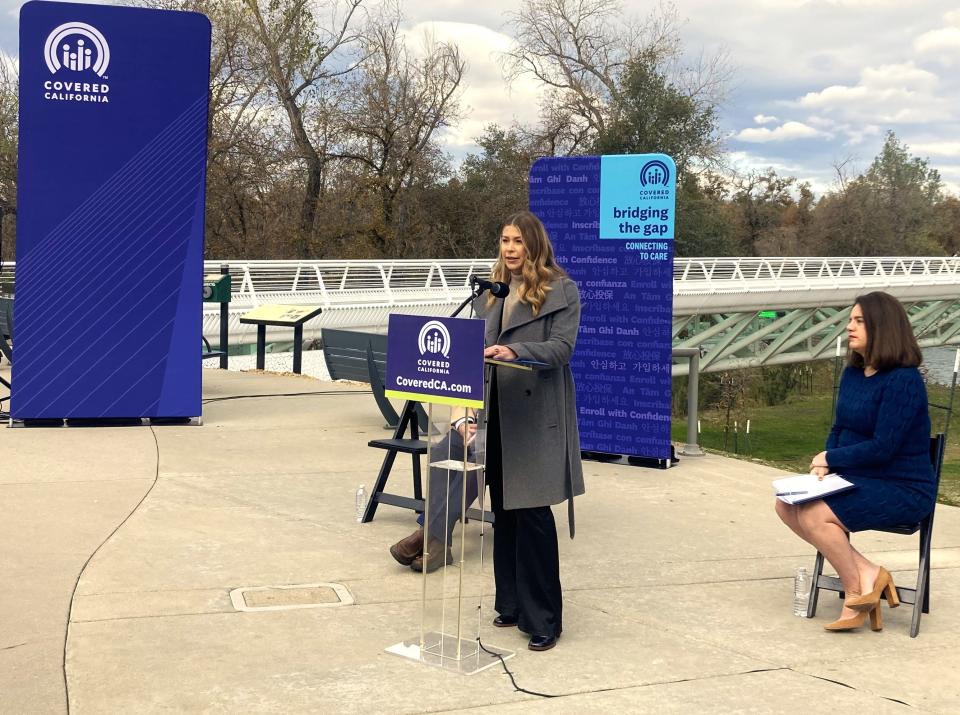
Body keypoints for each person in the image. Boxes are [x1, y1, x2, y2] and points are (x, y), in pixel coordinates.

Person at [775, 291, 936, 632]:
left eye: (859, 321)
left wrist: (831, 456)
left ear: (883, 327)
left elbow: (884, 448)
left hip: (902, 487)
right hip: (856, 478)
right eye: (850, 320)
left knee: (816, 514)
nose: (849, 327)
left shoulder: (903, 381)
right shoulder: (853, 374)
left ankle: (855, 592)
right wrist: (825, 463)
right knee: (786, 505)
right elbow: (840, 427)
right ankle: (869, 573)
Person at [474, 210, 584, 652]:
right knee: (504, 512)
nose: (510, 249)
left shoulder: (562, 289)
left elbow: (562, 349)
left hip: (537, 418)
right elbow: (471, 347)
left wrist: (514, 350)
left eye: (518, 241)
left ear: (534, 244)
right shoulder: (493, 291)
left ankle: (544, 620)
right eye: (504, 240)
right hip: (499, 415)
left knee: (533, 516)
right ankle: (513, 603)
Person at [388, 418, 480, 573]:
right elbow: (465, 397)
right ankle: (437, 542)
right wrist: (462, 424)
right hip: (474, 426)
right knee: (443, 451)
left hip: (506, 434)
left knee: (477, 462)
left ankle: (428, 536)